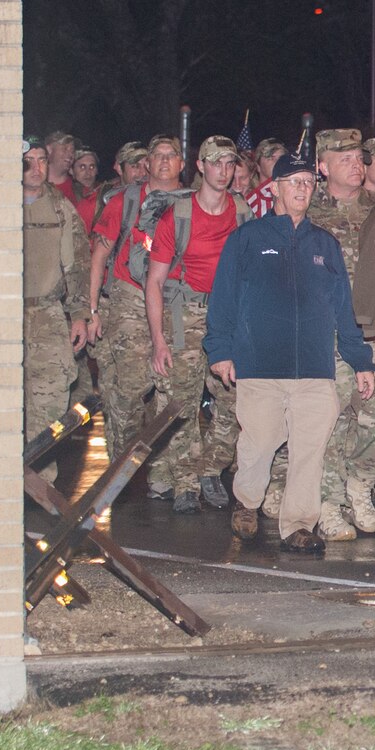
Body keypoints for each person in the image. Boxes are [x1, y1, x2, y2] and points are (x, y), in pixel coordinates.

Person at [205, 152, 375, 554]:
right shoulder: (248, 239)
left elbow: (342, 308)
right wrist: (220, 349)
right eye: (293, 182)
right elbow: (224, 298)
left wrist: (360, 360)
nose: (302, 189)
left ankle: (298, 524)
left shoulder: (325, 245)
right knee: (261, 442)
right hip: (260, 365)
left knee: (309, 451)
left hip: (315, 370)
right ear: (276, 189)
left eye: (307, 182)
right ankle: (247, 500)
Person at [143, 136, 243, 512]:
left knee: (236, 400)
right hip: (184, 314)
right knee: (180, 401)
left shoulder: (242, 212)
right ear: (200, 166)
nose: (223, 171)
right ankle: (185, 479)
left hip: (228, 315)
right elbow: (154, 281)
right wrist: (158, 341)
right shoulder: (178, 215)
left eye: (229, 163)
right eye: (215, 163)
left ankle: (210, 468)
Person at [304, 128, 375, 540]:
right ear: (322, 167)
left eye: (360, 158)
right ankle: (328, 504)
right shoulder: (306, 213)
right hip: (328, 333)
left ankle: (361, 484)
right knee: (331, 424)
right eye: (345, 159)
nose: (357, 165)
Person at [83, 134, 179, 479]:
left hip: (176, 300)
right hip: (129, 297)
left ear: (182, 163)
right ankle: (123, 462)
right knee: (131, 386)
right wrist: (92, 311)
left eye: (172, 155)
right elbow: (99, 257)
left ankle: (162, 472)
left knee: (171, 390)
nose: (164, 162)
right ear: (147, 165)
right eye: (158, 156)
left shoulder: (191, 203)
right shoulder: (123, 201)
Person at [21, 140, 92, 475]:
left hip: (47, 315)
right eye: (28, 162)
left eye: (42, 161)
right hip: (2, 316)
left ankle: (41, 483)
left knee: (50, 399)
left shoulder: (60, 207)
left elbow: (76, 263)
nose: (36, 169)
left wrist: (80, 315)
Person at [43, 130, 79, 200]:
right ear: (49, 149)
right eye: (65, 149)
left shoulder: (80, 191)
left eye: (72, 151)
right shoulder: (34, 187)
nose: (70, 154)